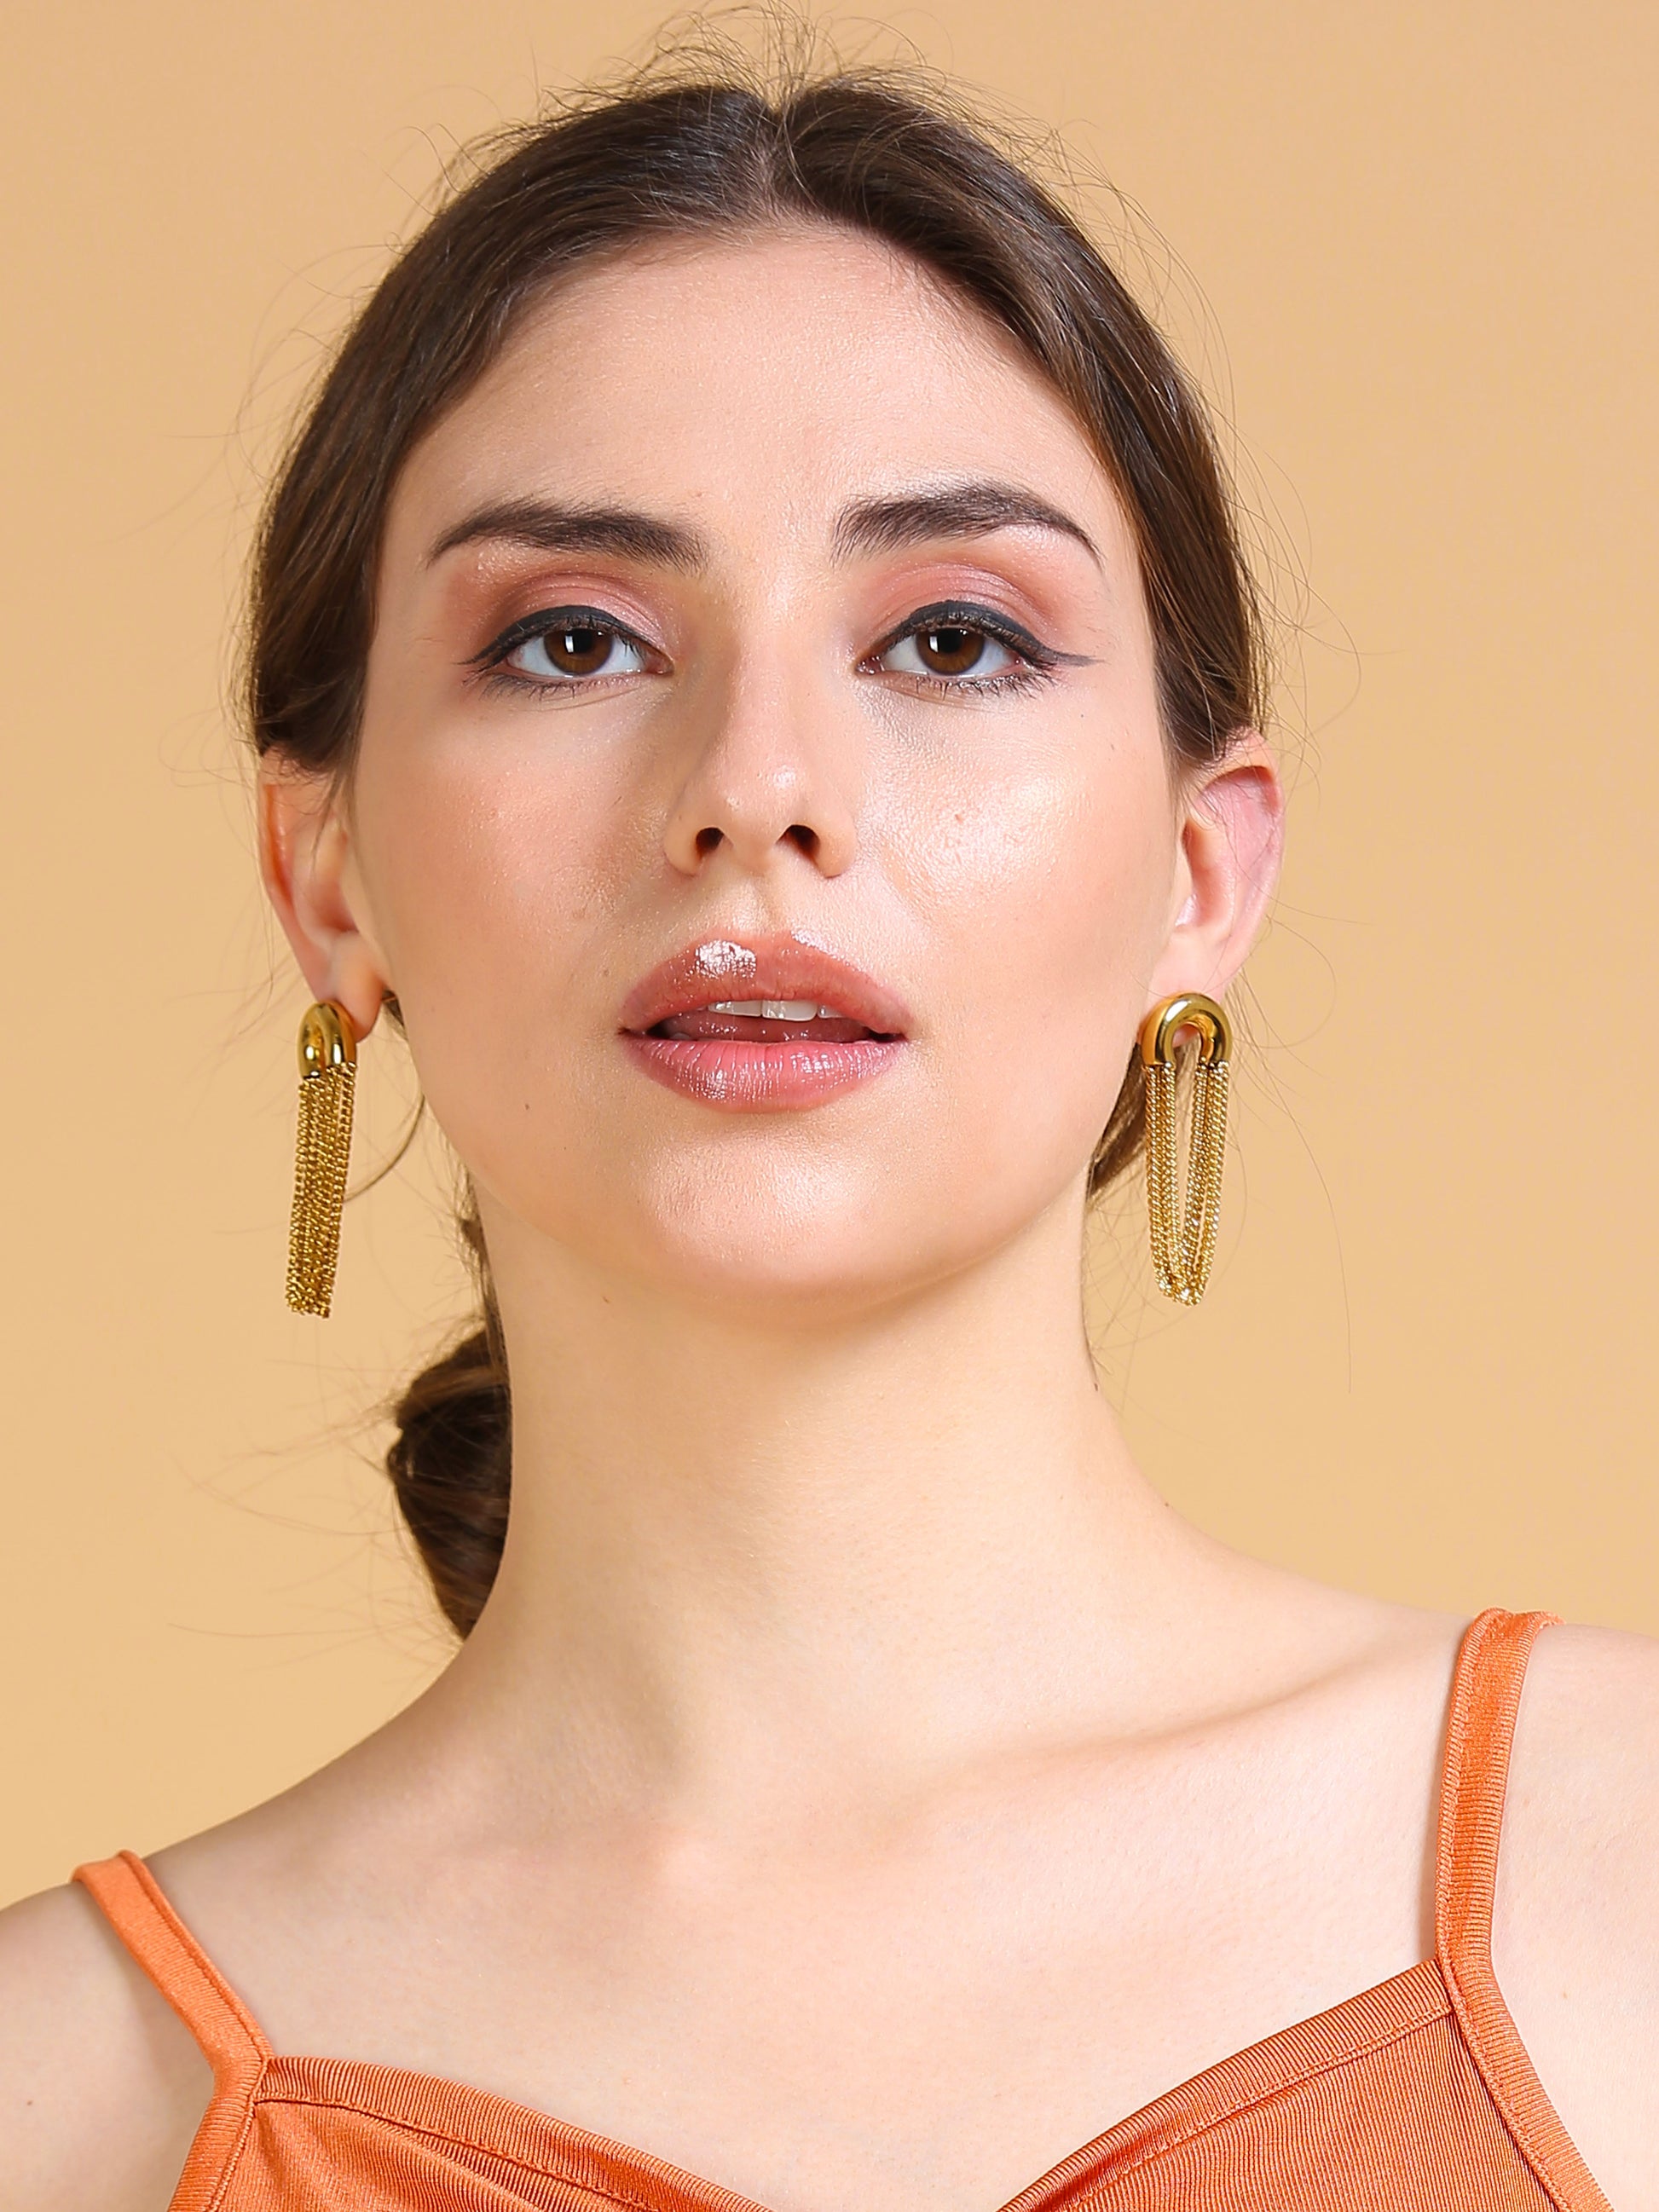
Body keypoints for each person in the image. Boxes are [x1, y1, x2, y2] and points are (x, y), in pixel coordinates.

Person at [3, 55, 1655, 2212]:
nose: (757, 784)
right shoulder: (57, 2100)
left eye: (950, 637)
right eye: (574, 638)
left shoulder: (1628, 1883)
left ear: (1199, 867)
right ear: (322, 874)